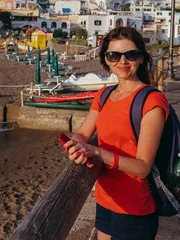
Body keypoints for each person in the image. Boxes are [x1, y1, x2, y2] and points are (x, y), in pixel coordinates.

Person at [64, 27, 169, 240]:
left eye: (130, 55)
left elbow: (142, 167)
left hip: (135, 207)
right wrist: (74, 146)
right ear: (106, 60)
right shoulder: (104, 95)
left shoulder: (152, 101)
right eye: (114, 55)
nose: (122, 61)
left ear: (140, 58)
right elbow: (83, 132)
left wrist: (96, 151)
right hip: (105, 199)